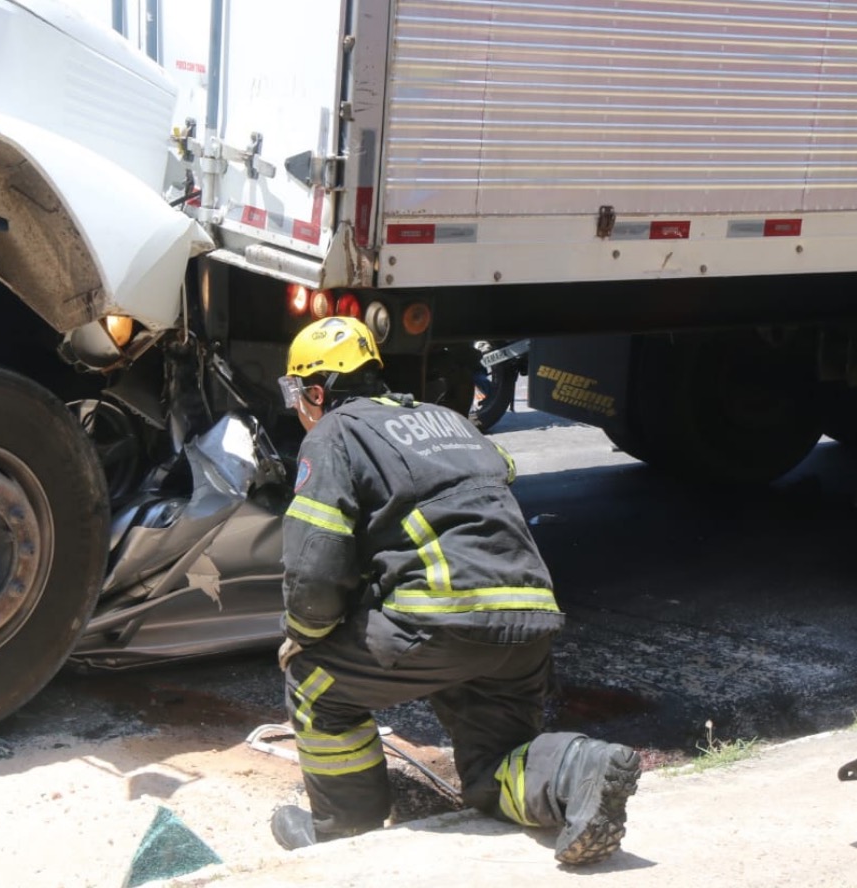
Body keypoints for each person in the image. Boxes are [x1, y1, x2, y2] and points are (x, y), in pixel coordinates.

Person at [269, 315, 641, 865]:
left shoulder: (335, 433)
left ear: (316, 391)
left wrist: (303, 634)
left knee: (314, 683)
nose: (296, 405)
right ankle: (581, 768)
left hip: (441, 616)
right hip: (529, 619)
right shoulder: (450, 421)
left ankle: (344, 825)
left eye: (295, 392)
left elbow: (315, 571)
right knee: (493, 770)